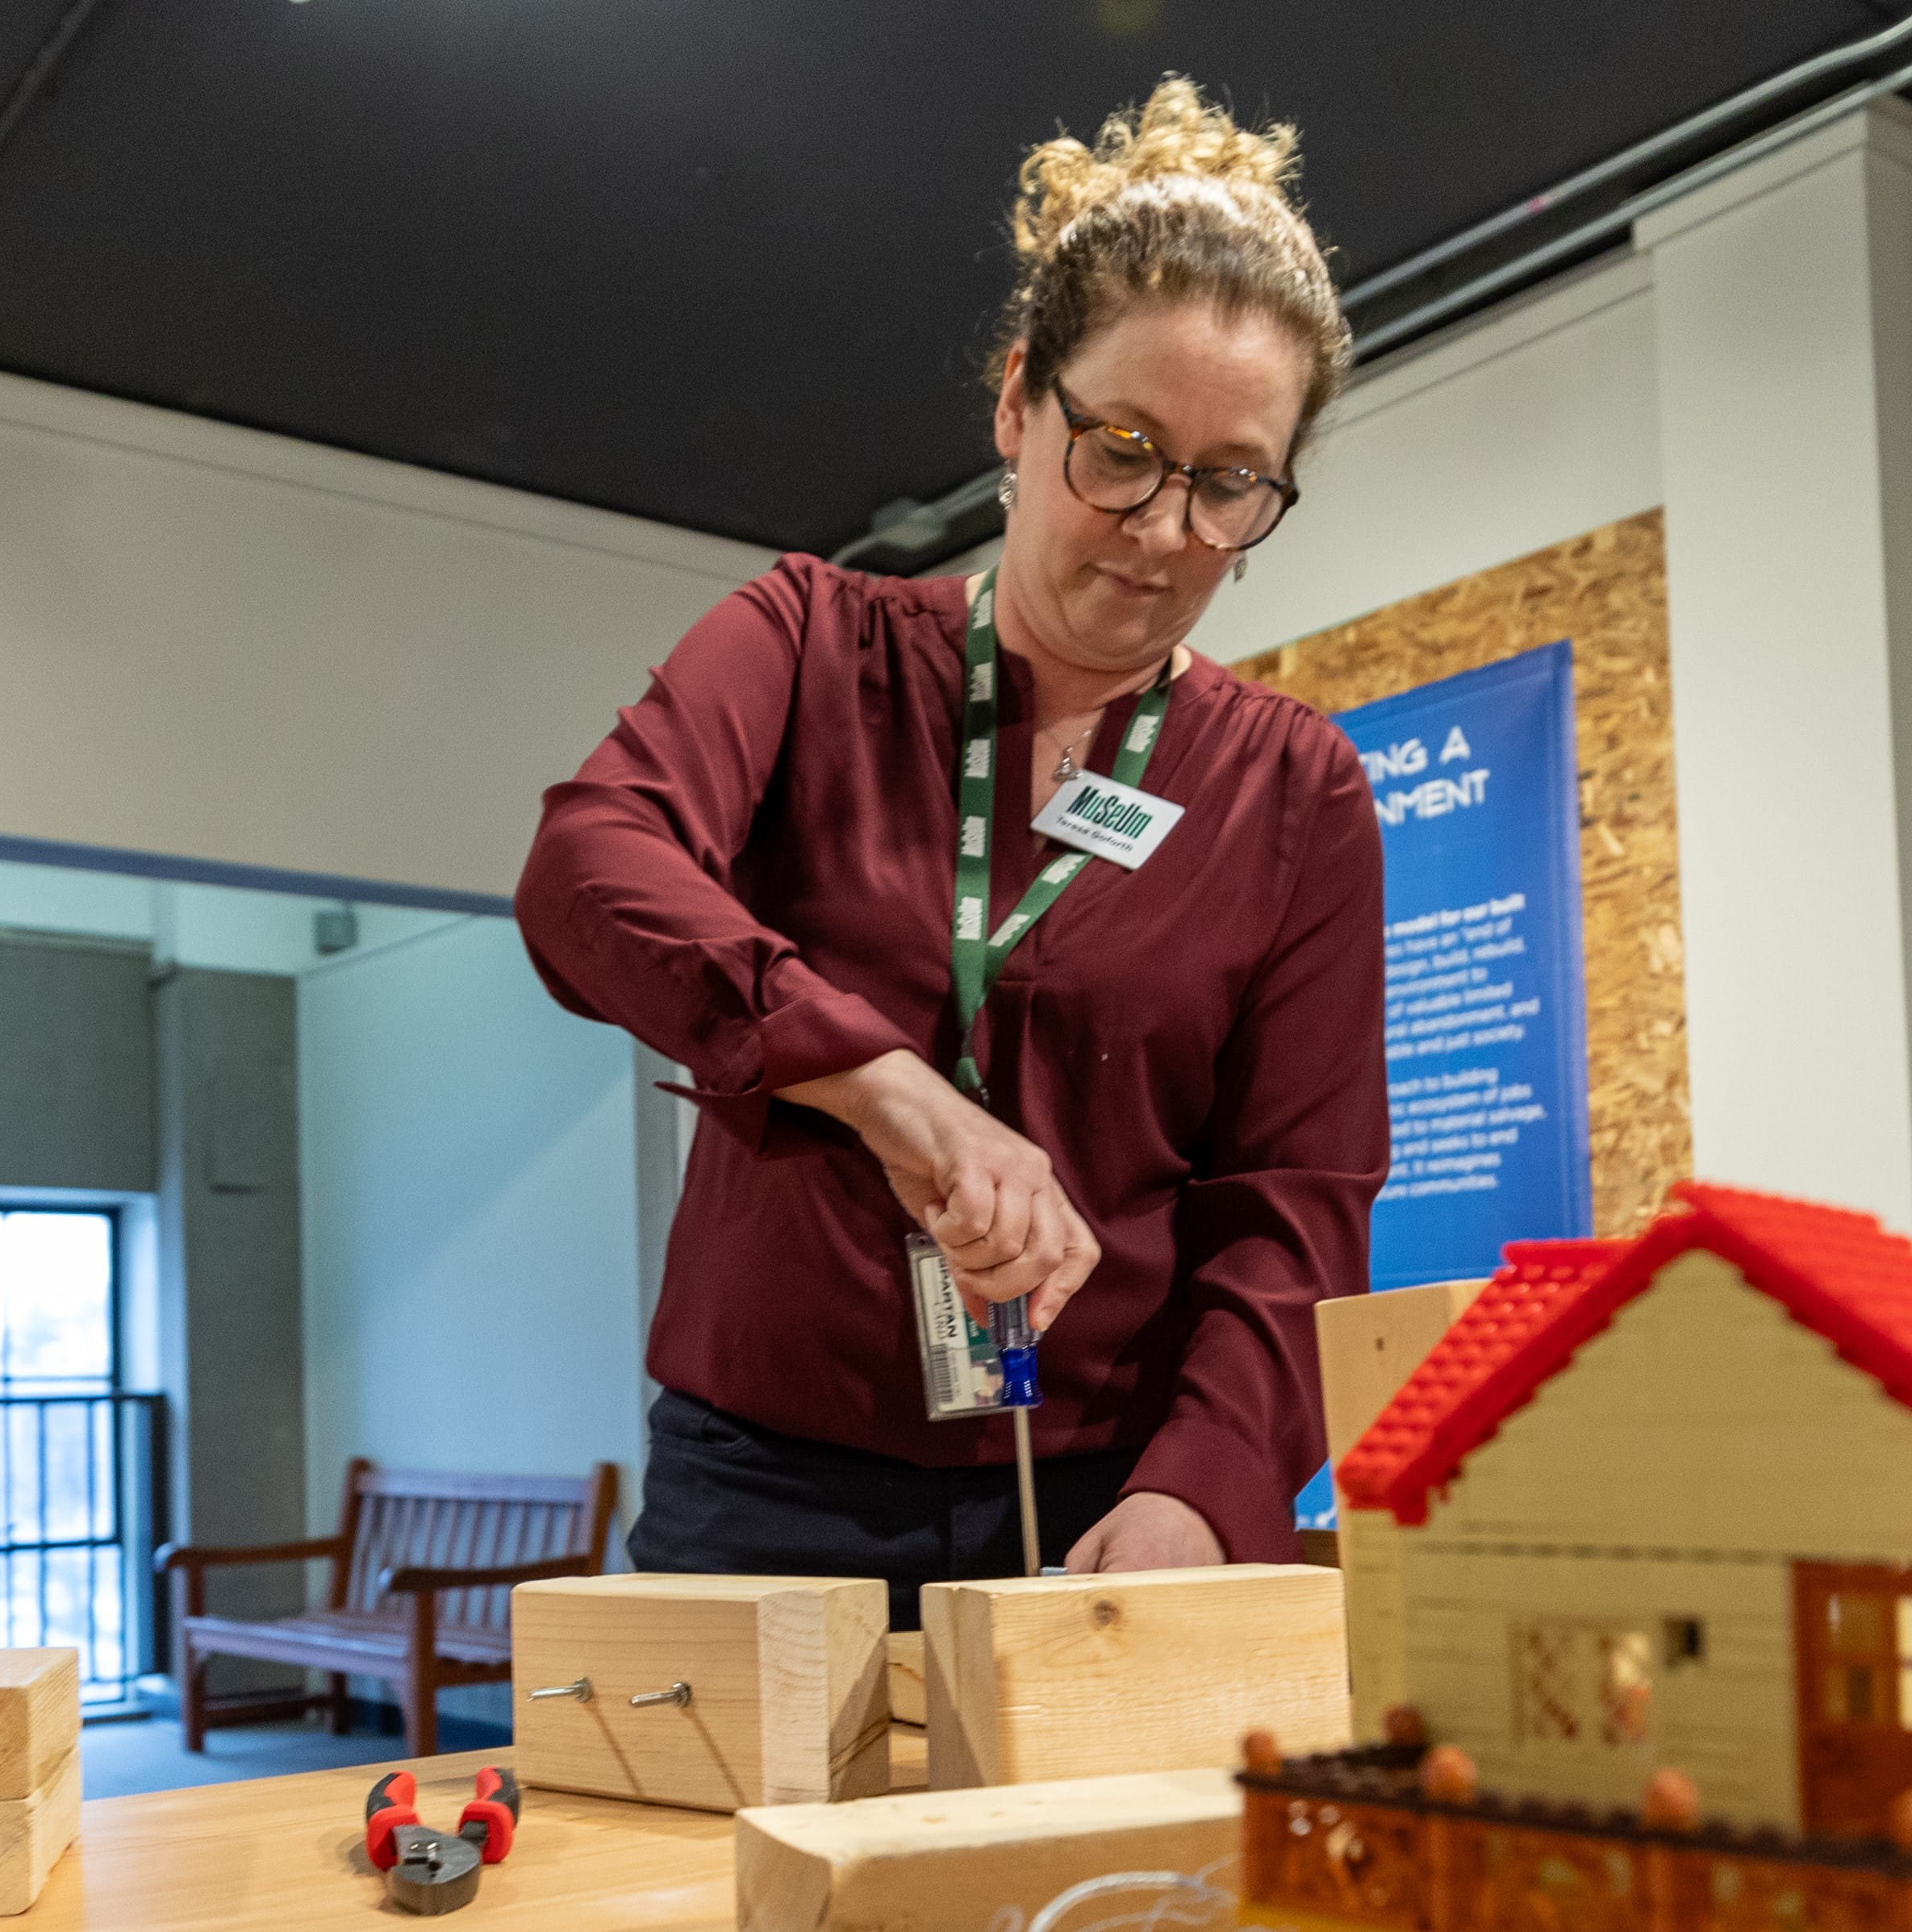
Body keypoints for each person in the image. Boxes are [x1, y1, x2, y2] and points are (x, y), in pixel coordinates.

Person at [519, 80, 1388, 1629]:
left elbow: (1294, 1204)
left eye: (1231, 479)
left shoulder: (1296, 791)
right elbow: (592, 868)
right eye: (1119, 447)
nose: (1165, 527)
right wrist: (882, 1084)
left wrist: (1205, 1485)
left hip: (1108, 1498)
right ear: (1014, 405)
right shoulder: (806, 644)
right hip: (762, 1490)